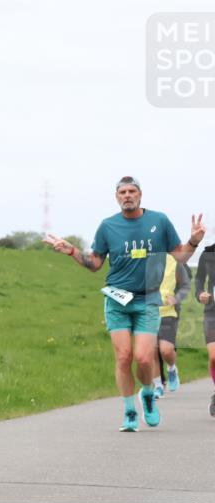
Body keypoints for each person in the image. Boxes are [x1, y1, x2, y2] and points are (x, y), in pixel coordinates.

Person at [44, 177, 204, 432]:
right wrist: (72, 251)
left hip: (147, 300)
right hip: (117, 299)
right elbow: (95, 264)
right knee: (123, 357)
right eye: (122, 192)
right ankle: (129, 412)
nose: (127, 195)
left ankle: (148, 393)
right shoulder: (108, 226)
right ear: (117, 197)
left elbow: (180, 257)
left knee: (143, 358)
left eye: (131, 191)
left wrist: (194, 240)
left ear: (140, 195)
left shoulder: (159, 221)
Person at [152, 255, 191, 397]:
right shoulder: (142, 258)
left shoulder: (174, 260)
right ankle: (157, 385)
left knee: (166, 350)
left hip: (168, 312)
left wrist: (176, 298)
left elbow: (186, 285)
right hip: (147, 312)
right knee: (151, 351)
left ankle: (172, 368)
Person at [195, 241, 215, 416]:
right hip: (212, 311)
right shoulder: (208, 253)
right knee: (214, 355)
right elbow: (199, 279)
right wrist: (200, 293)